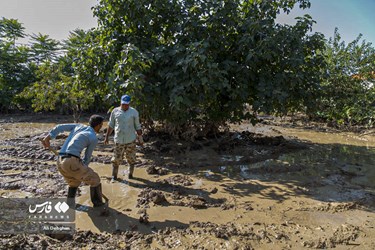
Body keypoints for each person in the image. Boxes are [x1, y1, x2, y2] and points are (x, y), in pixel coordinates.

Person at [41, 115, 106, 209]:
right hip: (71, 161)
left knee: (74, 182)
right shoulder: (93, 137)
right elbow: (87, 158)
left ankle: (70, 204)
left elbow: (59, 127)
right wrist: (83, 169)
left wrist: (48, 137)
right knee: (95, 179)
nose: (100, 128)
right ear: (98, 125)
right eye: (101, 125)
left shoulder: (79, 126)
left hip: (60, 160)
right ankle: (98, 205)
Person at [104, 94, 143, 181]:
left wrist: (140, 139)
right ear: (120, 103)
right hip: (119, 140)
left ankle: (130, 175)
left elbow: (137, 126)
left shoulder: (134, 112)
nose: (124, 106)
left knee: (131, 159)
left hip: (131, 140)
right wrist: (106, 137)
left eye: (126, 104)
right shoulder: (115, 111)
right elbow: (111, 125)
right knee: (116, 159)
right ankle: (114, 176)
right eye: (123, 104)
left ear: (129, 104)